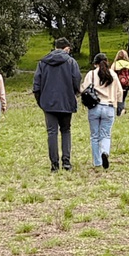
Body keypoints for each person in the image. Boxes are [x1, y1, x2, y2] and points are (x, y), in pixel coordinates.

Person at [33, 37, 82, 173]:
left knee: (52, 132)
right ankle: (66, 162)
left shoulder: (43, 63)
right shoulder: (71, 62)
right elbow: (77, 80)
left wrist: (41, 101)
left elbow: (36, 85)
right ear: (66, 48)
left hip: (48, 103)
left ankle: (54, 164)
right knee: (66, 131)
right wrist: (75, 94)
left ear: (55, 47)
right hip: (66, 101)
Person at [82, 52, 124, 169]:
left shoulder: (91, 74)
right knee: (105, 135)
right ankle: (105, 152)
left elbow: (83, 89)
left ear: (95, 64)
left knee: (94, 136)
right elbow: (120, 91)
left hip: (94, 107)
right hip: (109, 107)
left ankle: (97, 162)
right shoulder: (113, 75)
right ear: (107, 62)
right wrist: (120, 105)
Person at [112, 50, 129, 116]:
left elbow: (111, 73)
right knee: (123, 98)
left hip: (117, 84)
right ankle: (121, 109)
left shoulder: (115, 64)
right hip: (126, 85)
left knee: (116, 97)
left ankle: (117, 110)